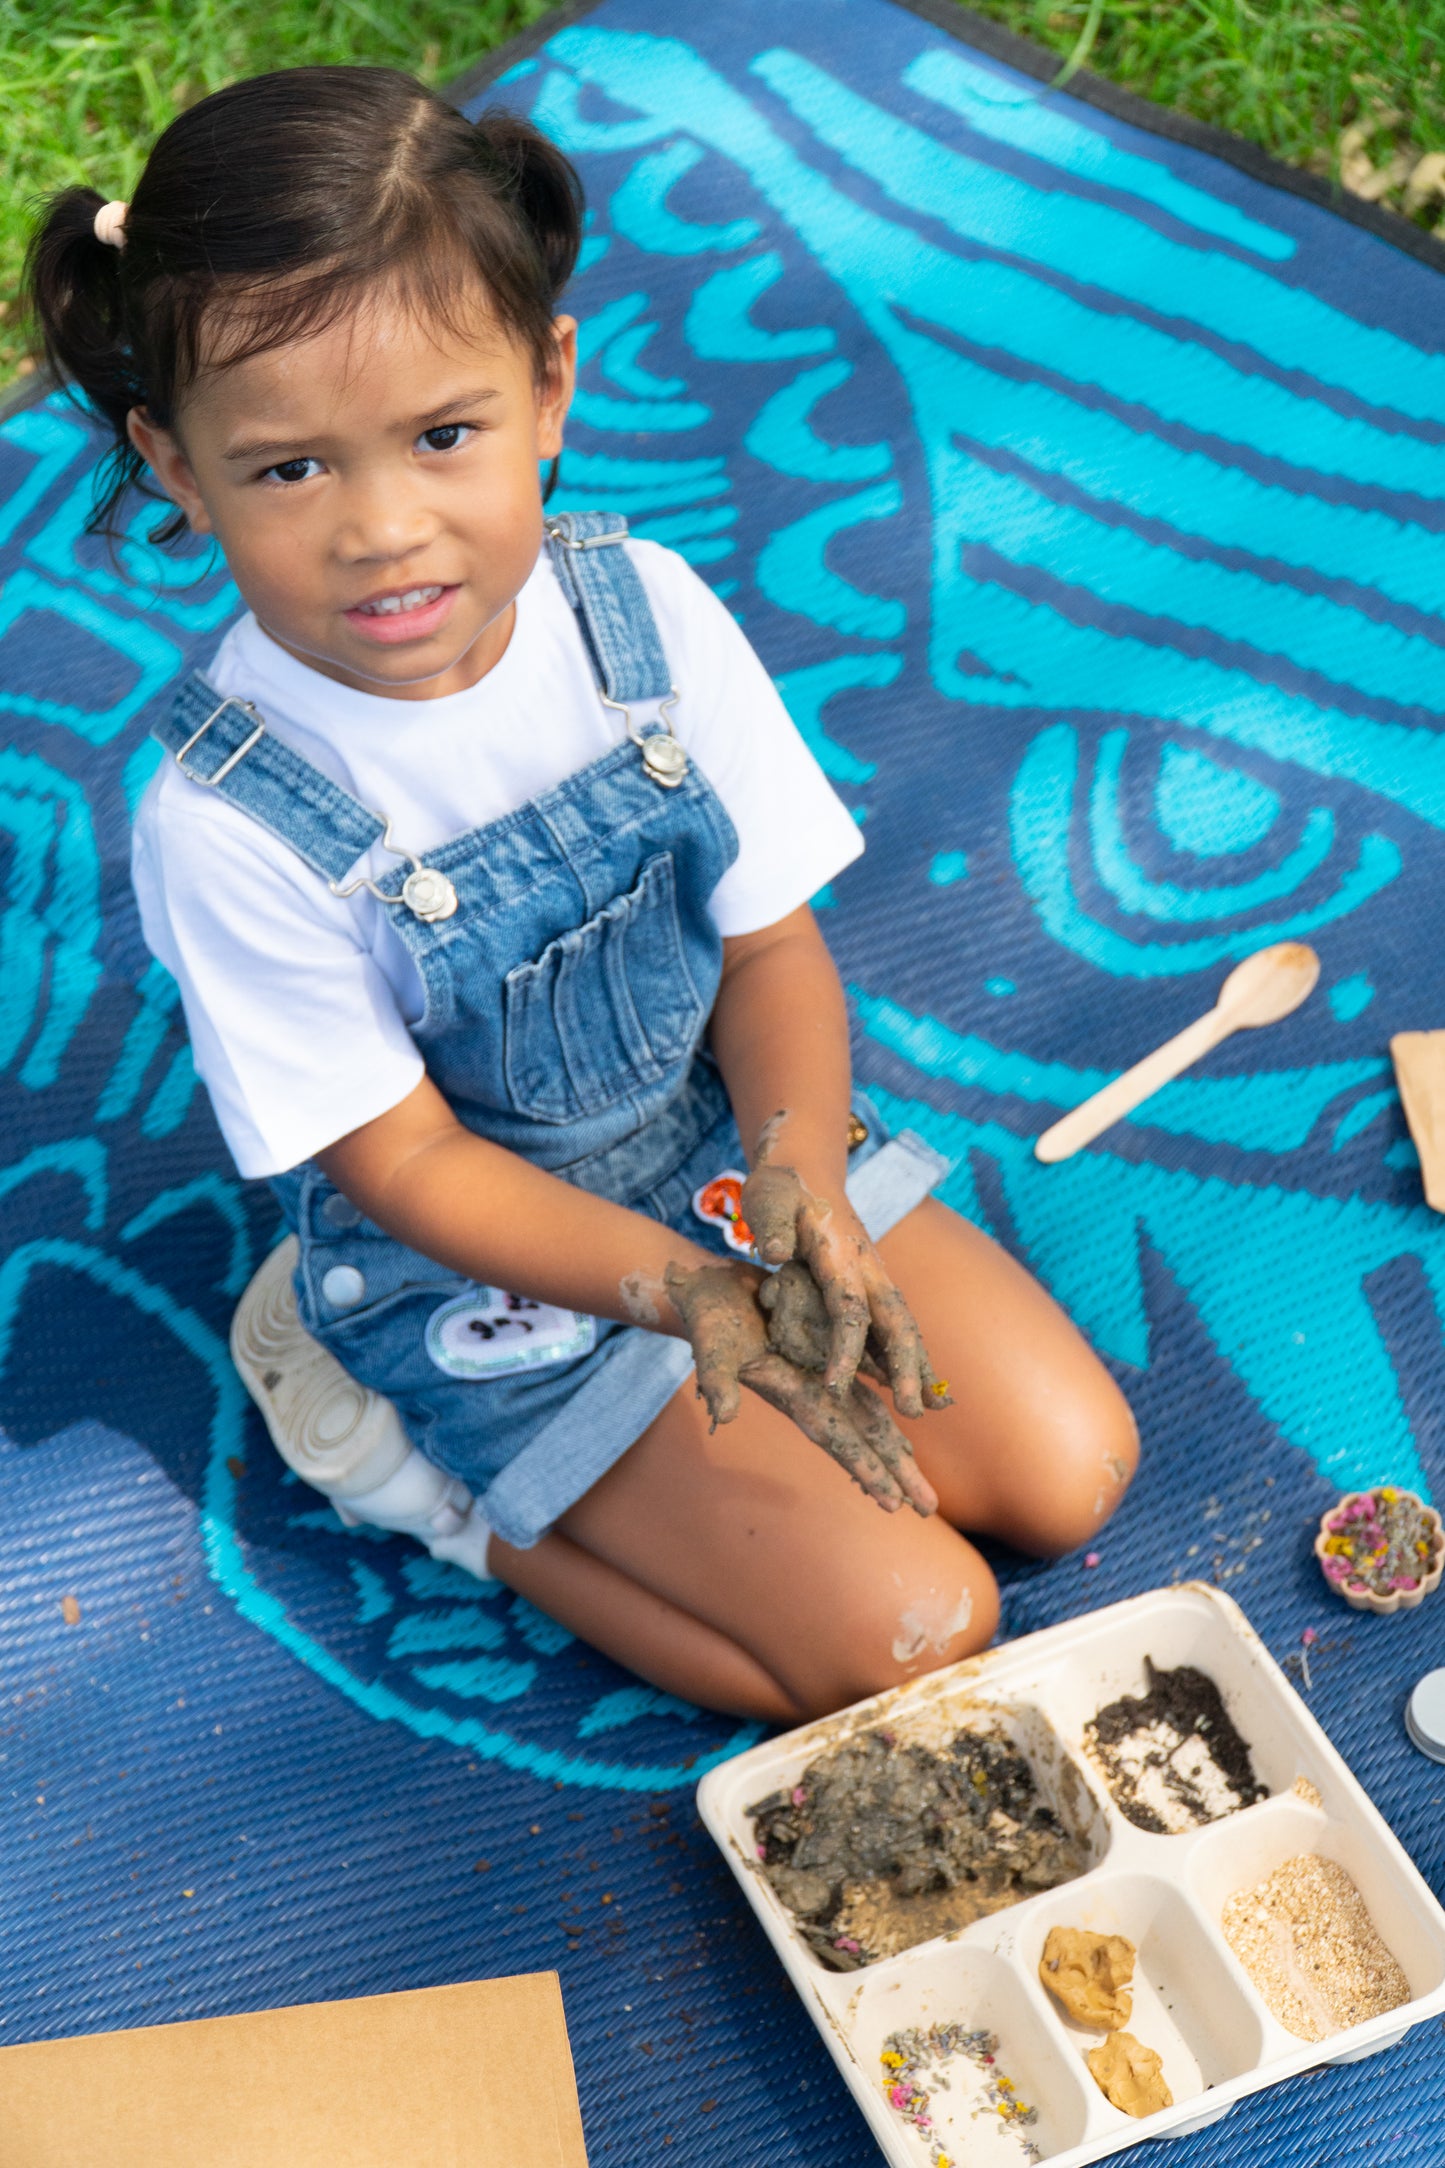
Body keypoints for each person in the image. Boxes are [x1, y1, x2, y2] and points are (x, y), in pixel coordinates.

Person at [27, 66, 1138, 1725]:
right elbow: (401, 1160)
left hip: (709, 1155)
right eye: (286, 472)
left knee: (1067, 1471)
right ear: (172, 465)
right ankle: (433, 1491)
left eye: (442, 434)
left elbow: (768, 951)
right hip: (470, 1266)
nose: (382, 529)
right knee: (909, 1634)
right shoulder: (225, 815)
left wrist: (794, 1193)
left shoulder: (647, 613)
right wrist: (677, 1291)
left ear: (550, 386)